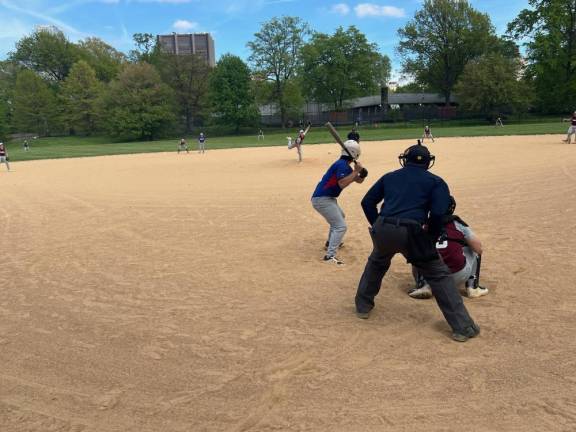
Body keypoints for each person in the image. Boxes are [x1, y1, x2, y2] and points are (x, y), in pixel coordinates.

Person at [354, 142, 480, 342]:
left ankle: (362, 307)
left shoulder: (390, 177)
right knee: (438, 275)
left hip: (384, 228)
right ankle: (463, 327)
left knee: (377, 262)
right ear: (428, 162)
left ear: (406, 160)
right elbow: (439, 213)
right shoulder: (436, 182)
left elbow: (367, 202)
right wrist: (430, 237)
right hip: (412, 231)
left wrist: (378, 225)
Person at [408, 195, 488, 300]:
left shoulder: (424, 225)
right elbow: (479, 249)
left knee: (419, 249)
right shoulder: (458, 224)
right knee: (473, 249)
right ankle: (472, 288)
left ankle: (423, 285)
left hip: (431, 277)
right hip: (457, 276)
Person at [311, 140, 366, 265]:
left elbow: (356, 180)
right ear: (356, 154)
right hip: (322, 199)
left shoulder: (344, 165)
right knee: (340, 226)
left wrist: (362, 175)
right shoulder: (342, 165)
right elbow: (342, 183)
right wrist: (356, 171)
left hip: (327, 198)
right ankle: (330, 256)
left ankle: (330, 242)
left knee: (340, 217)